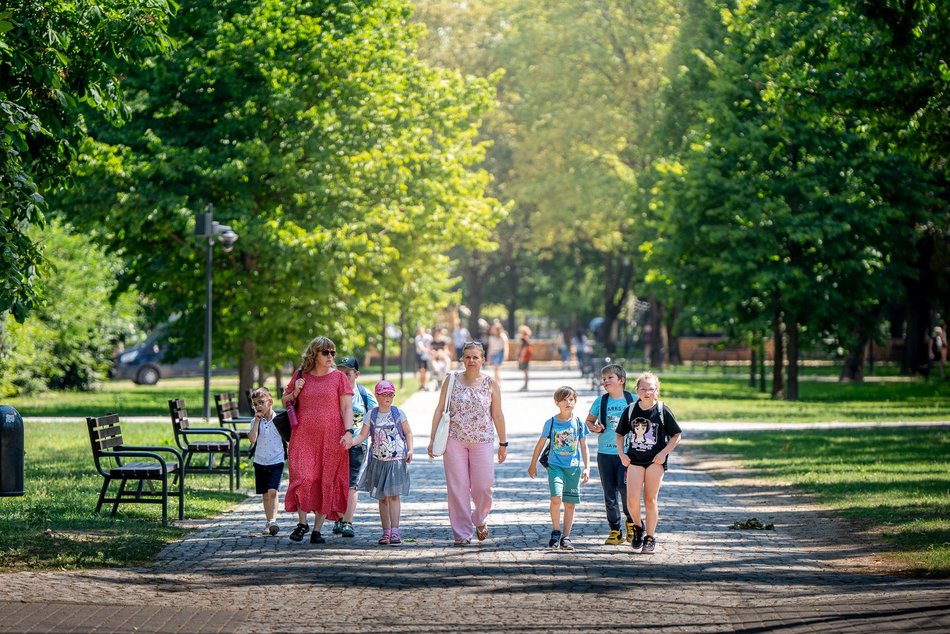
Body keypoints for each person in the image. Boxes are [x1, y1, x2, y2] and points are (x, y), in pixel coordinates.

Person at [427, 341, 508, 545]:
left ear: (482, 359)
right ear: (462, 359)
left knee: (483, 486)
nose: (471, 361)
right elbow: (439, 410)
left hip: (482, 441)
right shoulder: (451, 379)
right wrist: (432, 438)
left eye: (475, 357)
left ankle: (479, 518)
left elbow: (497, 415)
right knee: (458, 488)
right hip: (454, 440)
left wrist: (503, 443)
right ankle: (462, 533)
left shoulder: (491, 383)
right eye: (468, 357)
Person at [282, 336, 353, 545]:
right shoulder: (301, 375)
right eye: (326, 352)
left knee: (325, 479)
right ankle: (302, 523)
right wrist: (296, 391)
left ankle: (317, 530)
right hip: (303, 435)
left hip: (331, 435)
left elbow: (346, 407)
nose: (331, 356)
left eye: (332, 352)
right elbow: (285, 401)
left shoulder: (339, 377)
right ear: (315, 354)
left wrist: (348, 432)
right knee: (303, 476)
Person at [615, 371, 682, 554]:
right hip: (634, 460)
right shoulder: (630, 410)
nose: (646, 392)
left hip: (655, 461)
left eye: (650, 389)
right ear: (637, 390)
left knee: (650, 500)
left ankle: (650, 538)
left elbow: (676, 435)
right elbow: (619, 434)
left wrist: (664, 453)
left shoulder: (662, 410)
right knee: (632, 500)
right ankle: (637, 527)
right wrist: (621, 454)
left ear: (656, 390)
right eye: (643, 388)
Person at [345, 380, 413, 545]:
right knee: (382, 498)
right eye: (384, 395)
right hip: (378, 462)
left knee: (394, 496)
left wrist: (410, 449)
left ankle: (395, 531)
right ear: (377, 396)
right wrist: (351, 442)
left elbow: (408, 433)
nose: (387, 398)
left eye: (390, 394)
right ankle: (386, 531)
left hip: (396, 461)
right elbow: (362, 436)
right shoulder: (371, 415)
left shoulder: (398, 413)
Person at [528, 386, 590, 551]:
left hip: (574, 468)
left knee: (569, 504)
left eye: (571, 399)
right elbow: (540, 444)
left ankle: (566, 537)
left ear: (575, 402)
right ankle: (556, 531)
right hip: (555, 466)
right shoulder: (552, 422)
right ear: (557, 402)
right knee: (556, 498)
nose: (568, 402)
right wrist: (532, 464)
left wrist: (587, 467)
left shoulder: (578, 423)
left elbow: (584, 446)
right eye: (564, 399)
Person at [585, 363, 638, 545]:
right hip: (605, 453)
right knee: (609, 493)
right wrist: (595, 428)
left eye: (610, 378)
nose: (605, 381)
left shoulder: (633, 400)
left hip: (627, 455)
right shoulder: (601, 401)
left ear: (621, 380)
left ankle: (632, 523)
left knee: (626, 492)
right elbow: (589, 422)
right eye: (604, 379)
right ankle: (615, 530)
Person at [331, 355, 377, 539]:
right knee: (335, 482)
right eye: (339, 373)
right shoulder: (332, 394)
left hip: (358, 444)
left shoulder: (364, 395)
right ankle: (338, 518)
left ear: (356, 374)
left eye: (347, 374)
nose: (343, 377)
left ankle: (347, 522)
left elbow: (378, 415)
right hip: (335, 444)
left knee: (351, 484)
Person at [248, 387, 285, 536]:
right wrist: (256, 422)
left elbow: (288, 438)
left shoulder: (279, 421)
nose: (258, 406)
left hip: (276, 460)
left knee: (273, 492)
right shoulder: (254, 421)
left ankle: (273, 521)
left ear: (270, 402)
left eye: (261, 403)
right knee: (265, 494)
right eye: (255, 404)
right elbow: (252, 439)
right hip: (260, 461)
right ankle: (268, 521)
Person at [414, 326, 433, 390]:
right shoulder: (417, 338)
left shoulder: (429, 337)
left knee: (426, 371)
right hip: (421, 357)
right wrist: (426, 350)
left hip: (428, 357)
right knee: (422, 371)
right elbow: (420, 347)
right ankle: (422, 384)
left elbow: (431, 346)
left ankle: (424, 384)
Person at [517, 324, 533, 392]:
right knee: (525, 371)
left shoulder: (524, 339)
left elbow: (524, 349)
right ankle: (525, 385)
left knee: (525, 371)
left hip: (525, 357)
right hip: (526, 357)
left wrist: (521, 357)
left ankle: (525, 385)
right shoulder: (526, 339)